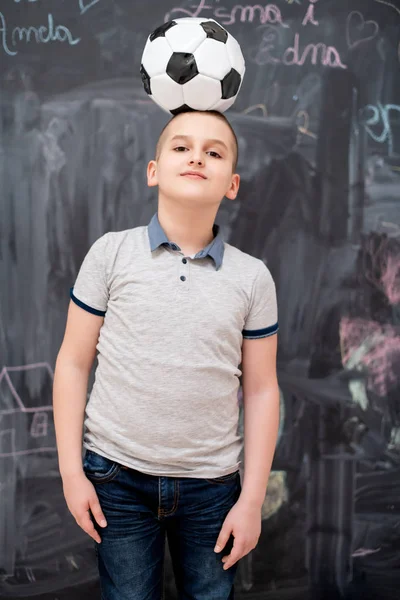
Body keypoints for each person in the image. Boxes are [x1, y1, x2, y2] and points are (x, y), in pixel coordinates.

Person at [53, 109, 280, 600]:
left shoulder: (252, 278)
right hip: (116, 477)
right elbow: (73, 362)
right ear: (153, 170)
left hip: (214, 488)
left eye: (214, 152)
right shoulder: (111, 254)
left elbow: (262, 390)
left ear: (233, 183)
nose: (197, 156)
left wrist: (252, 499)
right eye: (181, 147)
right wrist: (72, 473)